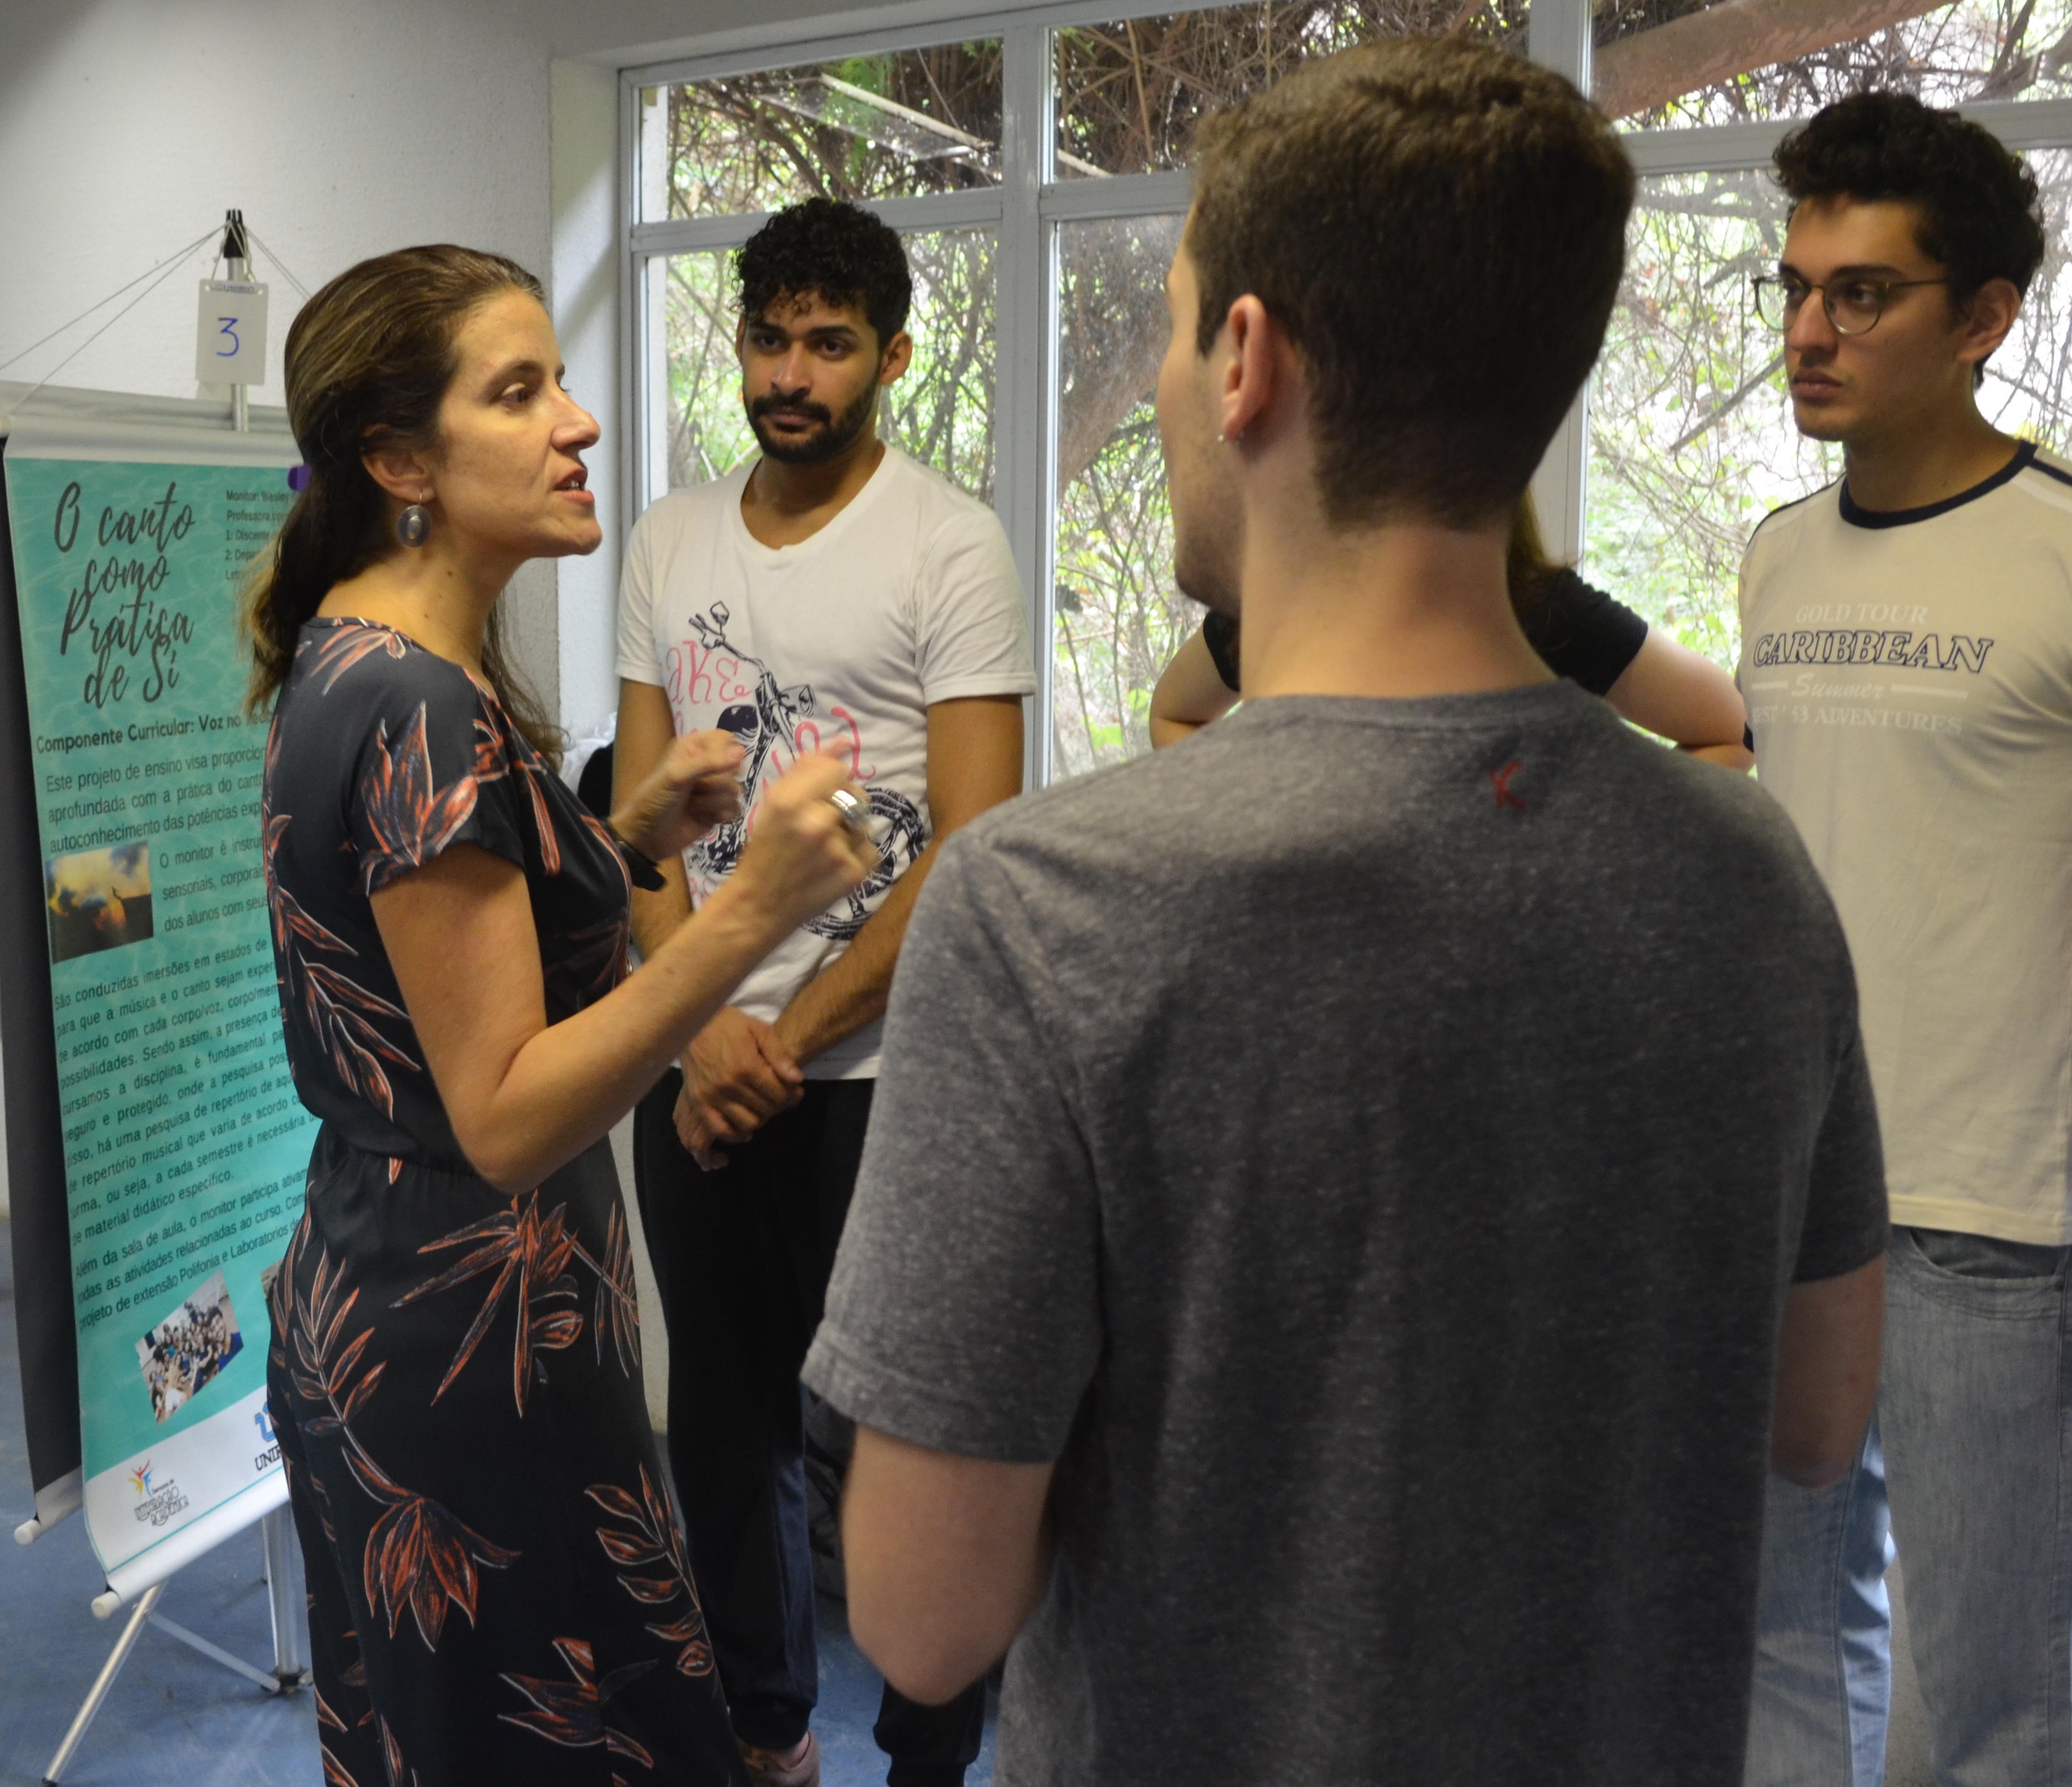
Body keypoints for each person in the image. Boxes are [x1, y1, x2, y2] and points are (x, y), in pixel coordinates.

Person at [802, 38, 1893, 1786]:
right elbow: (1816, 1419)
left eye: (1174, 333)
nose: (1168, 384)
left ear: (1244, 361)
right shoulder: (1749, 877)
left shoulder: (1043, 910)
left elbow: (922, 1621)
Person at [251, 245, 874, 1786]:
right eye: (518, 392)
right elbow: (507, 1111)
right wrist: (748, 911)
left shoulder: (359, 649)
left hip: (402, 1303)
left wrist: (628, 840)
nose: (577, 422)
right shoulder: (421, 704)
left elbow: (443, 956)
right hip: (475, 1353)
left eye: (562, 382)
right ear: (401, 462)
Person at [1734, 94, 2072, 1787]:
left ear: (1981, 317)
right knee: (1774, 1649)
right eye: (1794, 288)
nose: (1808, 332)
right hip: (1786, 1194)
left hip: (1993, 1226)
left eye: (1860, 293)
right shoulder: (1775, 559)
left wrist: (2068, 1137)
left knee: (1991, 1712)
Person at [611, 197, 1032, 1787]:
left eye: (829, 344)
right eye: (767, 338)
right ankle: (768, 1736)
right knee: (726, 1436)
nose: (790, 374)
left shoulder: (947, 542)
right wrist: (696, 1025)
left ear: (893, 359)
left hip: (878, 1085)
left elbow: (973, 844)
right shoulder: (669, 537)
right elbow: (641, 821)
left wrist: (775, 1040)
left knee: (910, 1443)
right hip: (697, 1060)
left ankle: (928, 1760)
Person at [1147, 488, 1752, 763]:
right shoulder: (1279, 602)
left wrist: (1591, 833)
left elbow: (1733, 731)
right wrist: (1251, 814)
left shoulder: (1542, 612)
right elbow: (1174, 713)